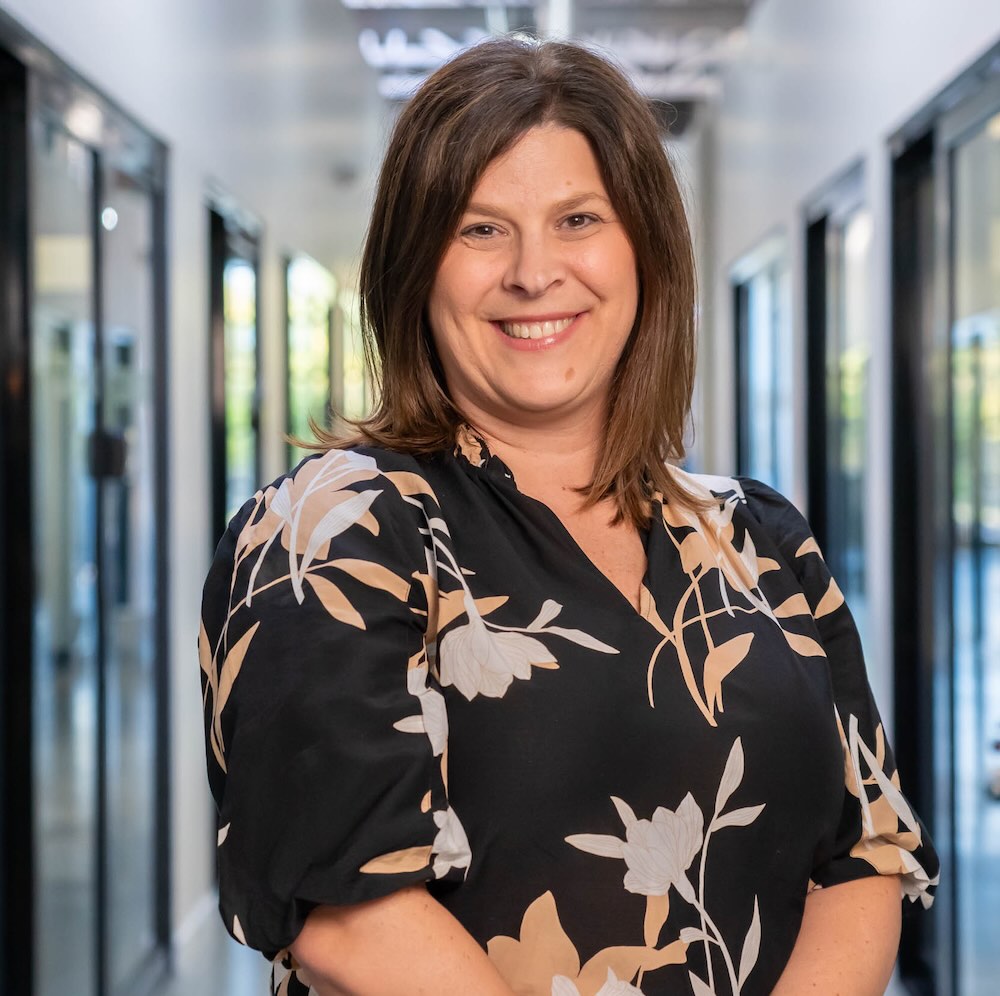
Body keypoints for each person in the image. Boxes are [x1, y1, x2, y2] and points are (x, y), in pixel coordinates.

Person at [199, 36, 938, 996]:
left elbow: (865, 851)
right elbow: (350, 918)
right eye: (479, 229)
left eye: (578, 218)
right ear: (415, 268)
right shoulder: (332, 531)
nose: (534, 272)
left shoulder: (760, 538)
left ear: (645, 250)